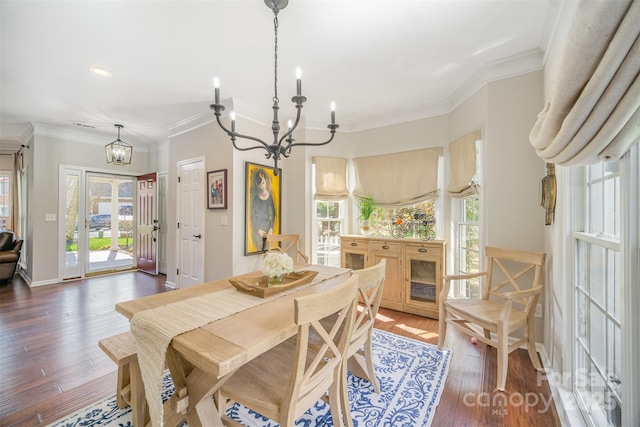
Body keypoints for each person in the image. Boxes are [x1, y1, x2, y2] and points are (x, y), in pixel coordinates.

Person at [250, 168, 276, 251]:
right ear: (258, 186)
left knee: (268, 248)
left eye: (263, 183)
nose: (263, 186)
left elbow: (273, 213)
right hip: (259, 227)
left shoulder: (270, 197)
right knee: (260, 248)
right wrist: (258, 229)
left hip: (268, 226)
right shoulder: (256, 198)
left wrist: (271, 228)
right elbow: (253, 215)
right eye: (260, 184)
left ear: (266, 182)